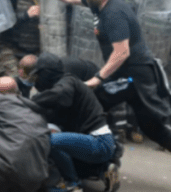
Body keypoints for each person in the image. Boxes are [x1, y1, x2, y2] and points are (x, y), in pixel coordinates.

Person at [27, 0, 171, 161]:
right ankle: (90, 155)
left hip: (136, 78)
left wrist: (98, 77)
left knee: (153, 129)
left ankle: (96, 155)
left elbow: (122, 52)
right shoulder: (98, 1)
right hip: (125, 76)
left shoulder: (114, 14)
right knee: (95, 106)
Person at [30, 56, 119, 192]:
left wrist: (28, 102)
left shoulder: (68, 81)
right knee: (60, 149)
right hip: (97, 143)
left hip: (100, 142)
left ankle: (73, 184)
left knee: (49, 141)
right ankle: (104, 170)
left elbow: (60, 94)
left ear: (46, 73)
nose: (37, 80)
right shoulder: (65, 87)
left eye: (38, 75)